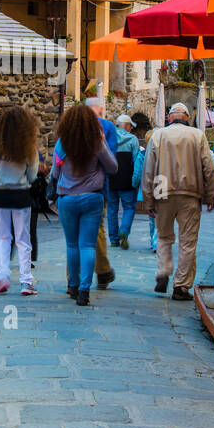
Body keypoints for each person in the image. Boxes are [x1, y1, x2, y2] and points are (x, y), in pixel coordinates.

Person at [140, 102, 214, 300]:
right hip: (190, 193)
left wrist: (148, 199)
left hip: (162, 191)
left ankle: (163, 271)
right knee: (188, 242)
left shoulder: (158, 135)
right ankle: (181, 286)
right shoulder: (198, 135)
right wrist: (212, 192)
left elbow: (148, 170)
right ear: (187, 117)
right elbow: (208, 167)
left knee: (164, 237)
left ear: (169, 118)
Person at [50, 103, 117, 307]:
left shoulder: (62, 144)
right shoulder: (96, 142)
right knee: (87, 244)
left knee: (72, 245)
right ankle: (84, 291)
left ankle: (73, 284)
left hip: (67, 198)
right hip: (92, 197)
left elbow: (55, 172)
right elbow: (113, 167)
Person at [0, 106, 40, 295]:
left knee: (2, 237)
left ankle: (3, 275)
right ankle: (26, 281)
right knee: (23, 239)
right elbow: (32, 175)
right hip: (21, 194)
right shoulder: (29, 147)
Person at [85, 97, 119, 287]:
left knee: (74, 236)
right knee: (97, 228)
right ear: (101, 109)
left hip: (70, 188)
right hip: (98, 187)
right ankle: (103, 270)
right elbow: (111, 161)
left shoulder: (71, 126)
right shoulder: (107, 127)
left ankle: (72, 279)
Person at [108, 114, 141, 249]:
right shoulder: (133, 140)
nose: (131, 129)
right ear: (126, 126)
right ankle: (124, 230)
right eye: (130, 126)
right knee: (129, 208)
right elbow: (137, 162)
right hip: (127, 181)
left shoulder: (109, 139)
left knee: (112, 210)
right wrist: (136, 181)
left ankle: (114, 239)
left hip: (110, 180)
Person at [132, 127, 157, 252]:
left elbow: (137, 173)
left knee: (152, 217)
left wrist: (134, 184)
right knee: (160, 215)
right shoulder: (164, 154)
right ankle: (157, 241)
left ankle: (154, 240)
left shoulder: (142, 154)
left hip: (147, 188)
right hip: (161, 187)